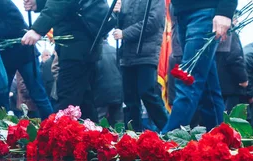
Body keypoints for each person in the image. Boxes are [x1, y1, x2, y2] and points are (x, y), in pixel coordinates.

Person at [22, 0, 112, 121]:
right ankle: (94, 136)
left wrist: (37, 29)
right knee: (84, 101)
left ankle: (58, 136)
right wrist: (39, 3)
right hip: (82, 41)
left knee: (68, 100)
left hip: (76, 43)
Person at [161, 0, 237, 133]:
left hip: (205, 11)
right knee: (208, 89)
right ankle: (219, 138)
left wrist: (226, 10)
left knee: (189, 80)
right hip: (181, 13)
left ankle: (167, 140)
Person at [113, 0, 168, 132]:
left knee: (148, 93)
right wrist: (117, 14)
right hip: (127, 55)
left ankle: (169, 130)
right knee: (129, 98)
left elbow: (153, 22)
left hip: (147, 54)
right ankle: (133, 135)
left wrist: (125, 33)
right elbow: (119, 25)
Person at [215, 29, 248, 112]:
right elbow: (235, 58)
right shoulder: (229, 33)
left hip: (215, 84)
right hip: (230, 85)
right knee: (228, 118)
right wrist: (243, 79)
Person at [94, 40, 124, 126]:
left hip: (100, 92)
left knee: (100, 124)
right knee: (118, 123)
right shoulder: (115, 50)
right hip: (118, 92)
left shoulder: (94, 51)